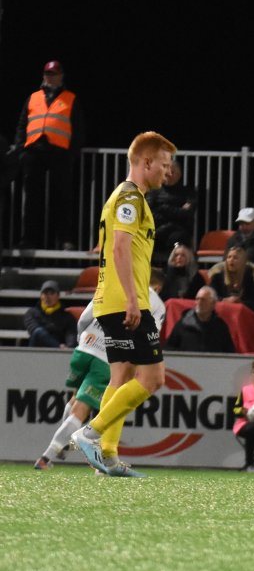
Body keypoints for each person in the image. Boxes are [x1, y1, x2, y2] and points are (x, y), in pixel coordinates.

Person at [71, 131, 177, 478]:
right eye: (164, 164)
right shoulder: (130, 197)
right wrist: (133, 299)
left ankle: (108, 458)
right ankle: (90, 433)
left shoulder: (124, 196)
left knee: (122, 376)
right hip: (125, 300)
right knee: (153, 378)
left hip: (111, 300)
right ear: (146, 162)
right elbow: (119, 247)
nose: (168, 171)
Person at [35, 285, 166, 470]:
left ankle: (63, 447)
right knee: (81, 409)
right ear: (158, 286)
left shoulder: (113, 286)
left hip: (83, 349)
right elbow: (150, 334)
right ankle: (47, 457)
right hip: (105, 358)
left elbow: (84, 317)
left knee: (75, 398)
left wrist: (82, 340)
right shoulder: (154, 302)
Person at [13, 60, 85, 249]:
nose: (50, 77)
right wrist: (21, 150)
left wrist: (71, 153)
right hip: (34, 151)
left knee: (62, 197)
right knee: (32, 199)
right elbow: (22, 125)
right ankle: (29, 239)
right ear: (44, 76)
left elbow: (78, 130)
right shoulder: (33, 97)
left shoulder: (70, 98)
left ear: (61, 76)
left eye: (54, 74)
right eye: (48, 74)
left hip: (59, 153)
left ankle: (64, 239)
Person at [146, 161, 198, 264]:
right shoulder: (153, 192)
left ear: (179, 175)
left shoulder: (188, 193)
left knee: (178, 238)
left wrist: (161, 208)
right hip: (157, 230)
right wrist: (177, 210)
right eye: (166, 173)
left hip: (178, 231)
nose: (169, 175)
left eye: (172, 172)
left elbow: (186, 214)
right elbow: (149, 213)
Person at [165, 286, 236, 353]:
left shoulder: (220, 327)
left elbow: (229, 352)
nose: (199, 302)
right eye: (197, 299)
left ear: (213, 304)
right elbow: (169, 348)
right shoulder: (182, 324)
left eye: (203, 300)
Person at [209, 245, 254, 315]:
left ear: (243, 261)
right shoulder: (217, 277)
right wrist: (224, 300)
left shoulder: (250, 278)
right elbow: (210, 297)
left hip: (243, 314)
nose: (231, 260)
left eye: (235, 258)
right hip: (221, 313)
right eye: (229, 257)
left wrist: (241, 302)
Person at [24, 280, 77, 349]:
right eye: (45, 293)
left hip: (59, 353)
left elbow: (71, 335)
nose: (48, 297)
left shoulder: (67, 316)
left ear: (58, 296)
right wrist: (58, 346)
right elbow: (35, 331)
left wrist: (69, 348)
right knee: (38, 332)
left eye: (52, 293)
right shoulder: (31, 313)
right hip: (37, 350)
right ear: (41, 296)